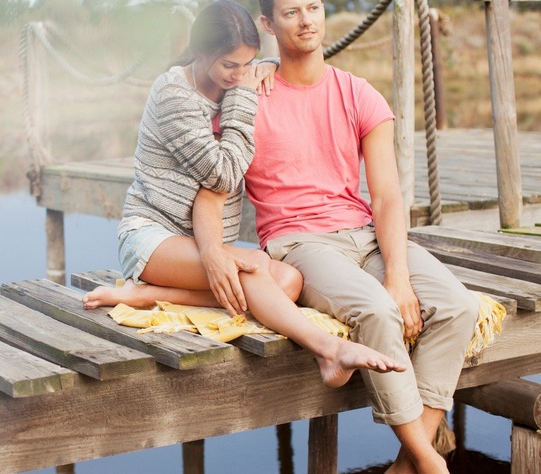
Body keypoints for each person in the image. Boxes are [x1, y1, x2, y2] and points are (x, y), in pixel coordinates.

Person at [82, 0, 405, 389]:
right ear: (201, 52)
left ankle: (148, 295)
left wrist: (262, 72)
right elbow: (224, 173)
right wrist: (244, 98)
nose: (238, 76)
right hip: (152, 237)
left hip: (203, 242)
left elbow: (248, 90)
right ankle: (328, 349)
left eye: (246, 65)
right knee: (253, 266)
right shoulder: (174, 94)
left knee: (287, 281)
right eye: (229, 66)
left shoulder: (230, 83)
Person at [238, 0, 478, 474]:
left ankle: (406, 467)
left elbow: (388, 195)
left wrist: (397, 273)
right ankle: (434, 469)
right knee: (377, 311)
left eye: (314, 6)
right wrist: (247, 74)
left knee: (458, 305)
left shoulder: (359, 94)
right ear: (267, 24)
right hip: (298, 241)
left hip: (362, 233)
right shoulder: (250, 95)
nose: (306, 20)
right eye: (289, 12)